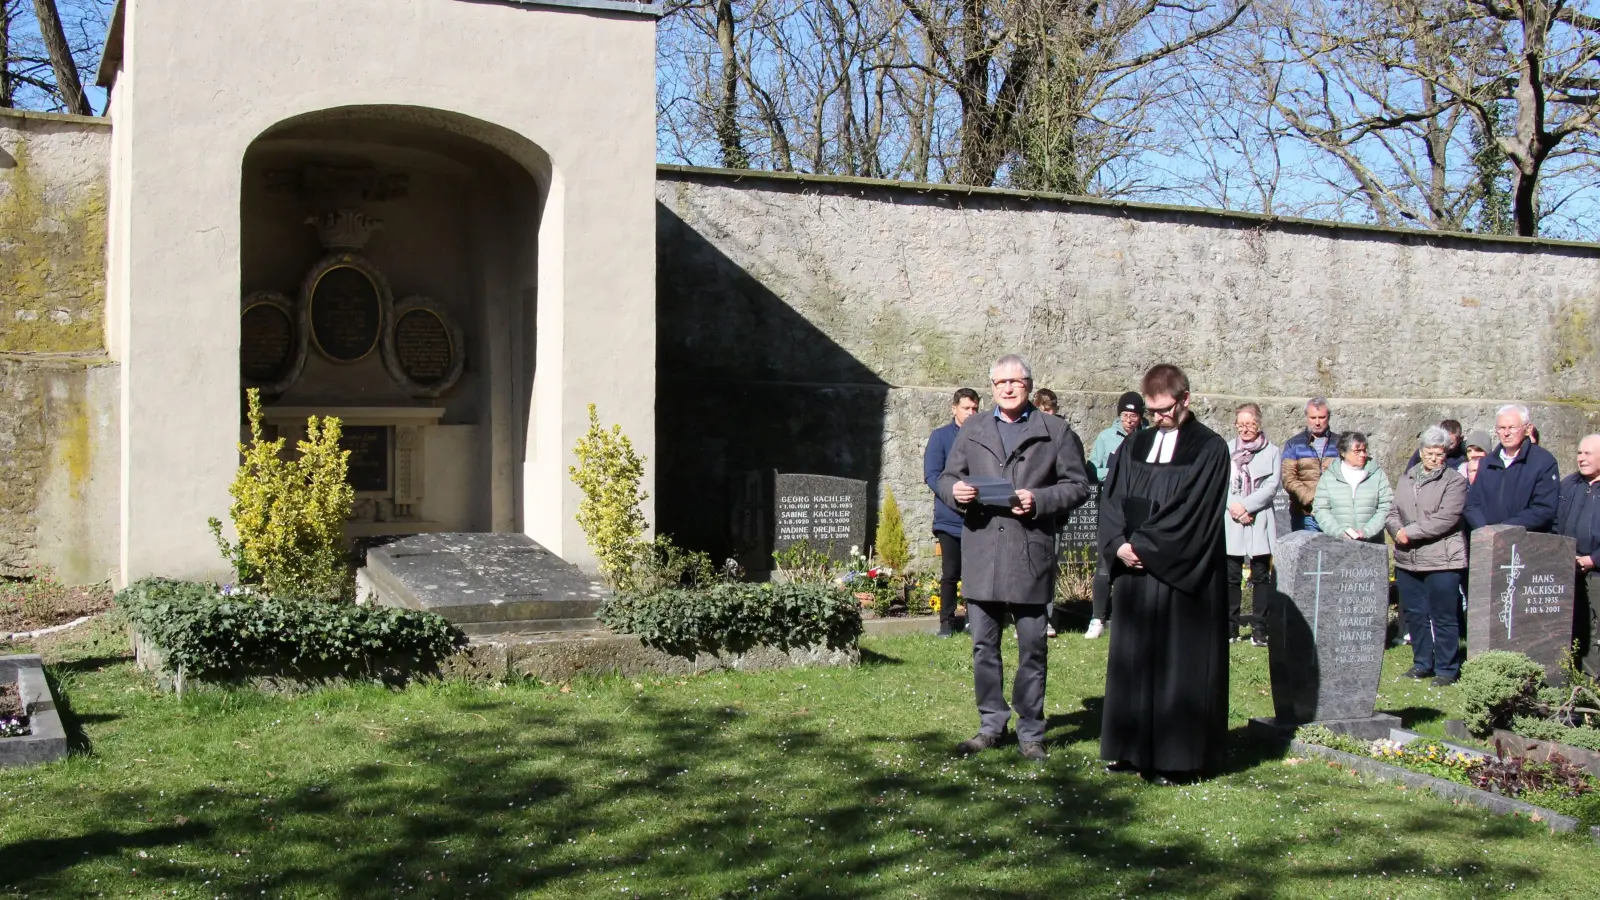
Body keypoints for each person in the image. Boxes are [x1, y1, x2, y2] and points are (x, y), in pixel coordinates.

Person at [940, 355, 1090, 762]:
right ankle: (991, 724)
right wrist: (956, 492)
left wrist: (1039, 499)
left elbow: (1078, 486)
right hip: (982, 549)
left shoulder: (1055, 431)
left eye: (1016, 382)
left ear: (1028, 385)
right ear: (991, 387)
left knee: (1032, 647)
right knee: (983, 646)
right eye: (1000, 382)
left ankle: (1030, 731)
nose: (1008, 388)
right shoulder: (972, 429)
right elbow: (946, 477)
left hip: (1029, 551)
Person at [1098, 364, 1230, 783]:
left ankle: (1176, 758)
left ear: (1185, 399)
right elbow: (1113, 497)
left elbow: (1194, 512)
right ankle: (1128, 748)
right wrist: (1119, 544)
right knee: (1132, 661)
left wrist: (1146, 547)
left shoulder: (1209, 449)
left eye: (1163, 410)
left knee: (1178, 665)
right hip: (1136, 578)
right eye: (1152, 410)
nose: (1156, 418)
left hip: (1179, 580)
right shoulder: (1135, 446)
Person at [1387, 426, 1470, 686]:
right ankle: (1422, 663)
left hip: (1442, 559)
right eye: (1429, 452)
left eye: (1439, 453)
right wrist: (1396, 530)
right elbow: (1392, 510)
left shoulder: (1454, 481)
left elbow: (1446, 518)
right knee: (1415, 613)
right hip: (1408, 559)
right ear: (1421, 452)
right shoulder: (1407, 477)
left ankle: (1447, 668)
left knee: (1443, 615)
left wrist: (1409, 532)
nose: (1434, 458)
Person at [1084, 392, 1145, 639]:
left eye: (1134, 416)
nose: (1129, 421)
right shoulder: (1106, 438)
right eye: (1125, 415)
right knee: (1105, 562)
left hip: (1139, 507)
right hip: (1110, 505)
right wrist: (1109, 473)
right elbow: (1092, 468)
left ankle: (1130, 618)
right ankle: (1097, 618)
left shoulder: (1147, 437)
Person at [924, 388, 981, 638]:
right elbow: (932, 475)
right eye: (966, 408)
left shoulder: (983, 436)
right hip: (949, 518)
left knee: (976, 572)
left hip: (977, 517)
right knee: (950, 573)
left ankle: (973, 620)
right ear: (954, 408)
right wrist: (953, 495)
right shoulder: (940, 437)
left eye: (975, 408)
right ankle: (946, 622)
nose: (971, 413)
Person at [1224, 403, 1280, 646]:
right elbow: (1222, 484)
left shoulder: (1272, 452)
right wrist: (1236, 508)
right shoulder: (1226, 449)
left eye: (1250, 424)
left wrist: (1247, 506)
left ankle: (1260, 630)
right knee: (1231, 576)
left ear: (1259, 424)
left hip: (1259, 519)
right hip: (1233, 519)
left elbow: (1271, 486)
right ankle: (1230, 629)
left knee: (1261, 576)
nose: (1245, 429)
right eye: (1241, 424)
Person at [1465, 404, 1560, 532]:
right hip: (1487, 540)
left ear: (1527, 429)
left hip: (1525, 540)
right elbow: (1472, 504)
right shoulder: (1487, 463)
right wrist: (1484, 530)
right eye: (1501, 428)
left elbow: (1544, 508)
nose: (1506, 433)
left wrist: (1504, 529)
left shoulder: (1543, 461)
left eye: (1512, 428)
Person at [1555, 435, 1600, 677]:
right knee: (1568, 624)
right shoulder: (1569, 485)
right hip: (1567, 567)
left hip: (1596, 572)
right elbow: (1555, 522)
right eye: (1579, 453)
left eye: (1587, 454)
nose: (1581, 458)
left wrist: (1593, 559)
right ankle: (1566, 678)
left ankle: (1591, 685)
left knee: (1595, 630)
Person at [1313, 432, 1393, 542]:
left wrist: (1366, 531)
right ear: (1343, 452)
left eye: (1364, 450)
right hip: (1337, 544)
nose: (1363, 454)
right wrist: (1339, 532)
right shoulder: (1328, 477)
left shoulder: (1377, 474)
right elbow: (1321, 509)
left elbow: (1386, 507)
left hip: (1372, 544)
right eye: (1357, 451)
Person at [1281, 398, 1341, 532]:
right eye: (1313, 417)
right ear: (1306, 417)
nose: (1317, 422)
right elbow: (1288, 478)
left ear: (1329, 417)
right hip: (1305, 514)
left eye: (1322, 417)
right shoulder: (1293, 444)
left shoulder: (1341, 444)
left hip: (1335, 514)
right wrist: (1311, 499)